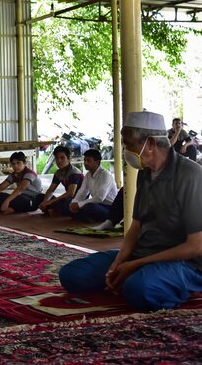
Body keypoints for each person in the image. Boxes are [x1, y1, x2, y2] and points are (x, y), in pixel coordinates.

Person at [59, 111, 202, 311]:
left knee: (138, 289)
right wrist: (119, 262)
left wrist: (135, 265)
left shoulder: (191, 175)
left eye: (129, 145)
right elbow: (135, 226)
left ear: (150, 144)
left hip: (184, 263)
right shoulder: (145, 174)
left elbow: (196, 246)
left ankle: (164, 284)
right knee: (72, 275)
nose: (125, 151)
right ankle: (135, 279)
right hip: (143, 255)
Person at [68, 149, 118, 222]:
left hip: (109, 208)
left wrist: (79, 205)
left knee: (89, 207)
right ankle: (88, 218)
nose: (85, 163)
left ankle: (86, 217)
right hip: (97, 205)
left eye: (88, 160)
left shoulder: (105, 175)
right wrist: (74, 203)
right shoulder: (88, 175)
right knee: (68, 203)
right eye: (85, 160)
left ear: (97, 162)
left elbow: (99, 198)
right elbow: (82, 192)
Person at [35, 146, 83, 216]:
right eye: (57, 158)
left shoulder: (74, 172)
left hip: (78, 200)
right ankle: (56, 211)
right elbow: (51, 190)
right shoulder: (58, 173)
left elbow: (70, 194)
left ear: (68, 158)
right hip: (67, 199)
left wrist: (50, 202)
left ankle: (57, 211)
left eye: (62, 158)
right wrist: (45, 202)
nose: (59, 161)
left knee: (67, 203)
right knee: (39, 197)